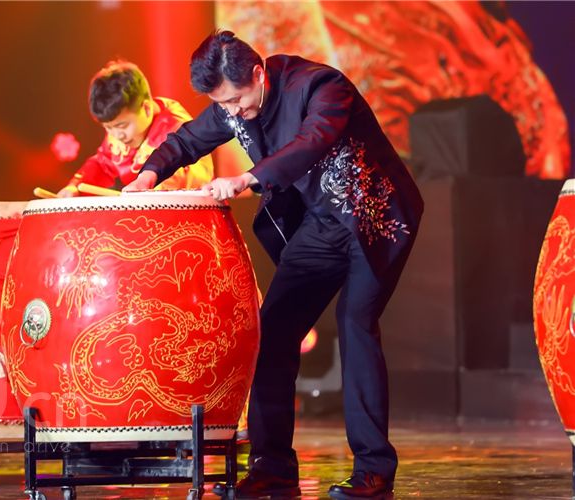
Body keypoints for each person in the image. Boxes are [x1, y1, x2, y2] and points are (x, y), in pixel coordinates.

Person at [125, 31, 424, 498]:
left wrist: (247, 178)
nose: (232, 111)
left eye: (236, 100)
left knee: (356, 324)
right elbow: (188, 140)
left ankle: (374, 470)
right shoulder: (233, 105)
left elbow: (311, 142)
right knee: (273, 332)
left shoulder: (320, 86)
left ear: (258, 74)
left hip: (374, 218)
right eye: (223, 104)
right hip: (323, 225)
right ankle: (272, 466)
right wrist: (148, 175)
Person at [57, 61, 212, 196]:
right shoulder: (119, 129)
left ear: (146, 108)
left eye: (122, 126)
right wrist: (74, 187)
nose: (117, 135)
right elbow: (103, 164)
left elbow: (184, 181)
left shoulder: (176, 130)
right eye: (108, 128)